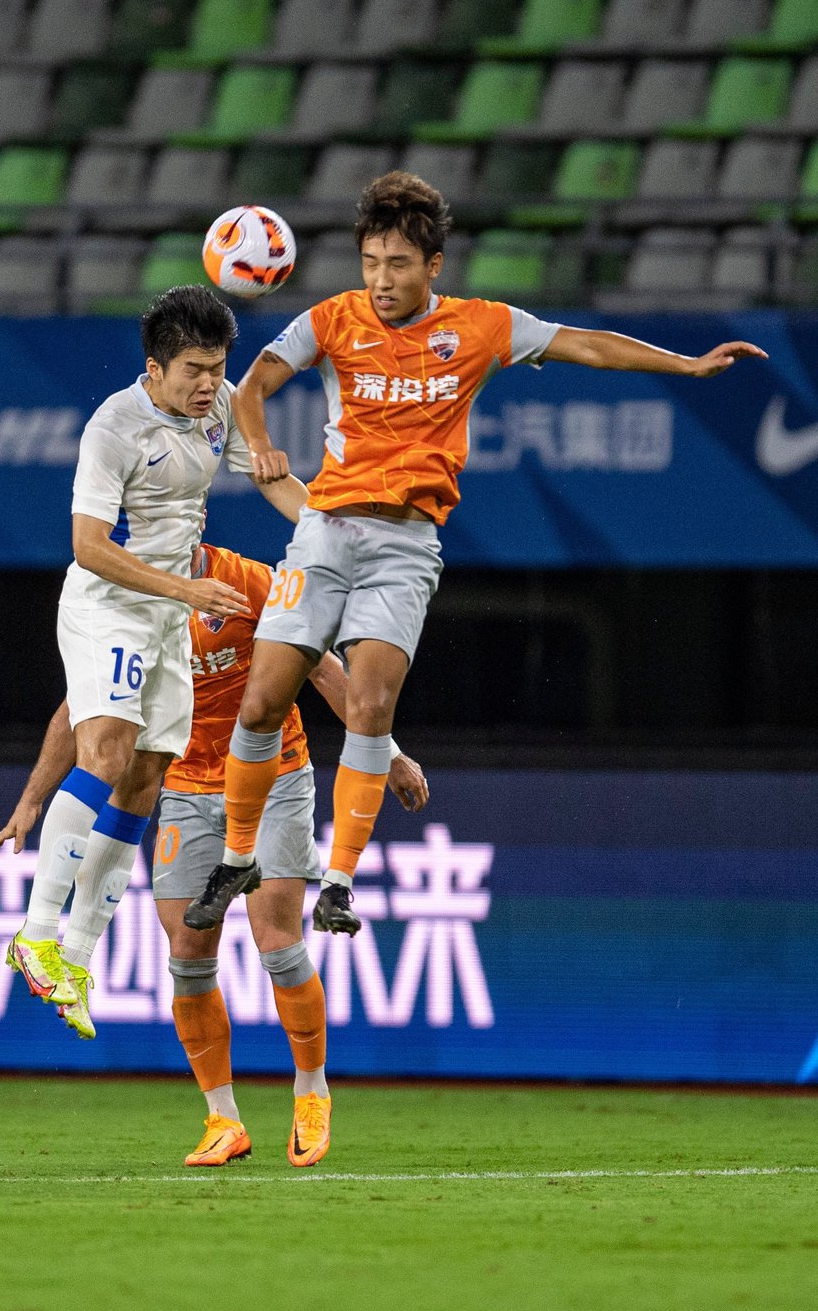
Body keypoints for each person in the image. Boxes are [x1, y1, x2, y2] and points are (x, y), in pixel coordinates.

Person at [188, 169, 770, 936]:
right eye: (370, 263)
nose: (382, 279)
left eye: (397, 264)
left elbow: (584, 344)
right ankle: (236, 858)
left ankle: (338, 883)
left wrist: (686, 365)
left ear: (433, 266)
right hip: (324, 530)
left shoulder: (482, 326)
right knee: (264, 698)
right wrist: (259, 446)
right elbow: (256, 382)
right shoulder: (334, 319)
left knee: (369, 706)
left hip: (405, 544)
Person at [0, 537, 429, 1167]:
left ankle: (311, 1092)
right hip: (188, 788)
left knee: (276, 936)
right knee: (189, 955)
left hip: (273, 775)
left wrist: (389, 755)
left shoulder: (250, 583)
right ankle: (224, 1118)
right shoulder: (128, 602)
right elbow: (78, 709)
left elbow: (326, 671)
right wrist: (31, 802)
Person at [0, 284, 308, 1045]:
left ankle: (74, 954)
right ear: (154, 365)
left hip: (169, 613)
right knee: (105, 751)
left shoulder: (218, 405)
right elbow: (89, 544)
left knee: (144, 775)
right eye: (195, 369)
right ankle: (35, 933)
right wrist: (186, 587)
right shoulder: (114, 426)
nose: (210, 384)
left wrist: (332, 533)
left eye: (218, 367)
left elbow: (270, 478)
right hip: (111, 603)